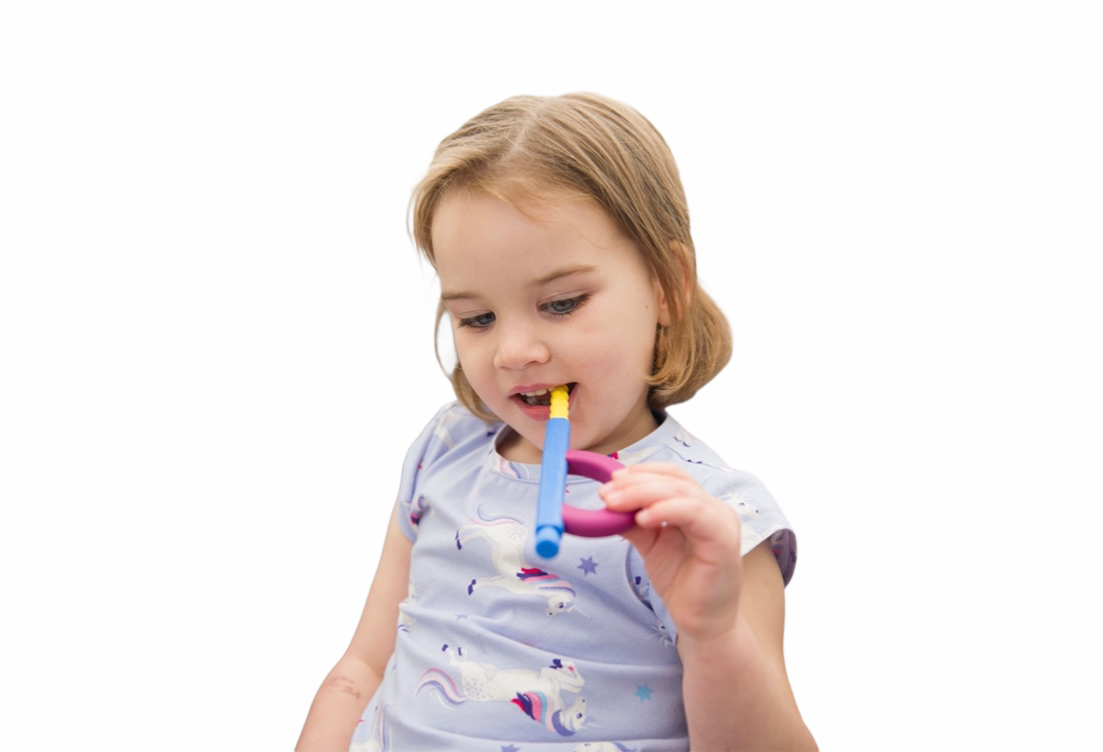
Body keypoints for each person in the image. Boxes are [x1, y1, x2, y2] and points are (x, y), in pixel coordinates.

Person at [297, 92, 816, 751]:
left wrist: (712, 635)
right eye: (476, 318)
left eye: (561, 303)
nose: (514, 352)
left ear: (666, 286)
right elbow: (363, 669)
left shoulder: (710, 521)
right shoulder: (446, 447)